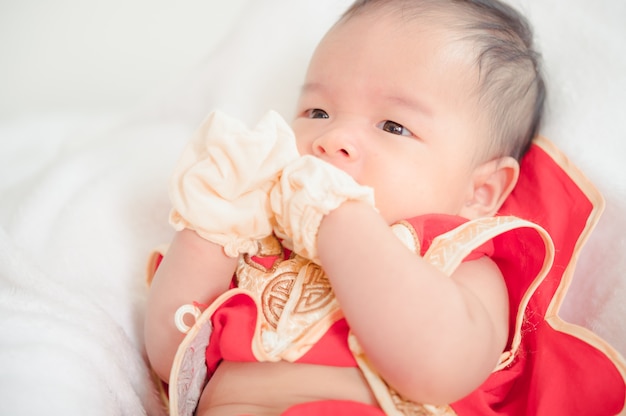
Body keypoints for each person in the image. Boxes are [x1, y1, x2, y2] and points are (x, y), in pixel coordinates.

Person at [144, 1, 626, 415]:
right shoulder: (261, 239)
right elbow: (172, 357)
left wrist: (341, 223)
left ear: (480, 192)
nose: (332, 140)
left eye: (393, 126)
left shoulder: (459, 262)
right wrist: (213, 224)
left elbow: (438, 368)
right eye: (317, 112)